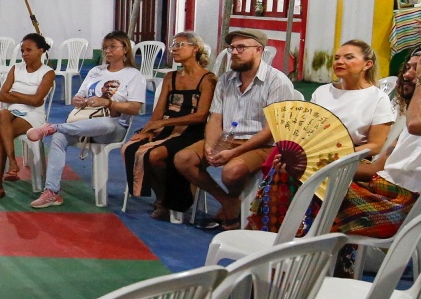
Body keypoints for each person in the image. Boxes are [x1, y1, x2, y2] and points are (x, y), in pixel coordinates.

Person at [251, 42, 421, 243]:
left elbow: (418, 124)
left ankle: (286, 259)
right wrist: (311, 167)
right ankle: (286, 257)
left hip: (406, 206)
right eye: (409, 68)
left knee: (307, 198)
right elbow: (376, 169)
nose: (407, 74)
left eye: (419, 70)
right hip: (382, 191)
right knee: (290, 176)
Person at [172, 27, 297, 231]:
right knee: (183, 159)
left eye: (241, 48)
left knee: (231, 171)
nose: (234, 53)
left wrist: (235, 152)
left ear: (259, 50)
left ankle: (232, 203)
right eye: (232, 48)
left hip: (262, 143)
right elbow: (215, 118)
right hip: (228, 138)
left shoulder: (277, 82)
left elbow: (272, 130)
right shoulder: (226, 79)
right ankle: (229, 202)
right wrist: (209, 146)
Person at [24, 31, 146, 209]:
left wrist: (108, 102)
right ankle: (52, 191)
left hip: (114, 126)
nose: (108, 51)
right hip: (84, 122)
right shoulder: (96, 71)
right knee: (58, 139)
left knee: (104, 124)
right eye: (105, 48)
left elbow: (135, 108)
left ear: (125, 49)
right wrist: (78, 100)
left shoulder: (133, 75)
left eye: (113, 47)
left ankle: (55, 127)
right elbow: (79, 95)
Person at [124, 31, 216, 220]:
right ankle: (163, 197)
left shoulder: (207, 79)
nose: (174, 49)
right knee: (130, 148)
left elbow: (201, 116)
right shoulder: (171, 77)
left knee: (155, 155)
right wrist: (149, 129)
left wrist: (164, 122)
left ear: (195, 49)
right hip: (165, 127)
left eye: (180, 45)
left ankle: (171, 199)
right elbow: (159, 109)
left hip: (191, 130)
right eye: (173, 45)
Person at [0, 33, 54, 200]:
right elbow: (2, 95)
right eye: (22, 50)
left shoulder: (47, 73)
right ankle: (12, 161)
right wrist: (26, 98)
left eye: (29, 50)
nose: (24, 54)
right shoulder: (16, 68)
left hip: (33, 116)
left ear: (41, 51)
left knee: (0, 134)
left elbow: (37, 101)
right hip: (12, 112)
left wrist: (15, 94)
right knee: (2, 112)